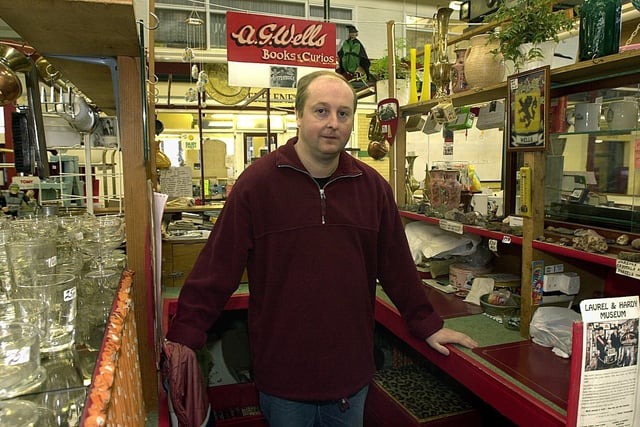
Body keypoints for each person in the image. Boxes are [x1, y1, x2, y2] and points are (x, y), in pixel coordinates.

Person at [166, 70, 477, 426]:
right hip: (284, 377)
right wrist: (185, 336)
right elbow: (217, 268)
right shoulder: (257, 185)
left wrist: (426, 323)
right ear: (298, 116)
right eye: (321, 111)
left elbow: (397, 267)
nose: (333, 123)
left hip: (350, 374)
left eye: (343, 114)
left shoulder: (372, 187)